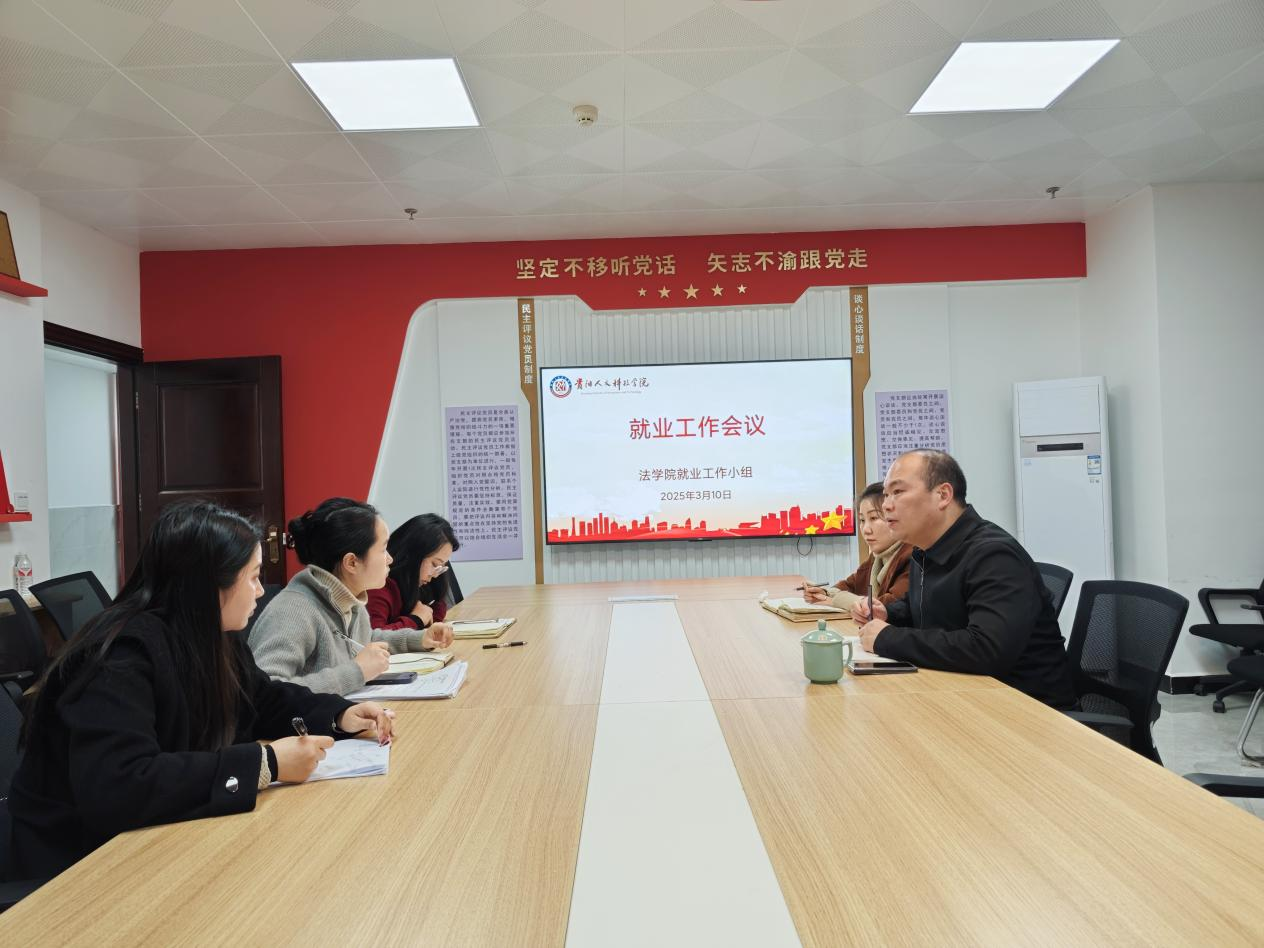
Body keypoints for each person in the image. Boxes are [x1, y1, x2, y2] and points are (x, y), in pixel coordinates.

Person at [8, 500, 395, 879]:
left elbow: (262, 699)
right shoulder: (121, 656)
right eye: (253, 577)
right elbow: (122, 783)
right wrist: (267, 764)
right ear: (211, 584)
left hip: (160, 836)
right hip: (82, 862)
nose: (261, 591)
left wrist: (338, 715)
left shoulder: (211, 634)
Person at [853, 449, 1076, 709]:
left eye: (898, 492)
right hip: (964, 694)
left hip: (1027, 709)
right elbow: (929, 608)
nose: (887, 505)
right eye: (886, 494)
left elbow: (986, 649)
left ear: (943, 495)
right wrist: (888, 613)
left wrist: (887, 638)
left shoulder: (993, 555)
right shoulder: (926, 550)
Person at [248, 498, 446, 696]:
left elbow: (365, 639)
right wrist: (356, 672)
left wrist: (419, 639)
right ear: (351, 563)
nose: (390, 559)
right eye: (383, 549)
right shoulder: (293, 612)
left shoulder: (350, 598)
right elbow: (267, 692)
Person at [802, 481, 912, 610]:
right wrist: (824, 593)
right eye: (862, 520)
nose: (866, 529)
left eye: (874, 518)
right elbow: (851, 585)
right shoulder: (877, 557)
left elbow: (890, 604)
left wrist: (835, 601)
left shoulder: (913, 556)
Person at [367, 514, 458, 642]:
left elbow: (435, 613)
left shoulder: (418, 583)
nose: (435, 575)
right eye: (434, 564)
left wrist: (425, 617)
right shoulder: (379, 585)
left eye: (441, 567)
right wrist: (416, 620)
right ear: (413, 554)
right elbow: (373, 638)